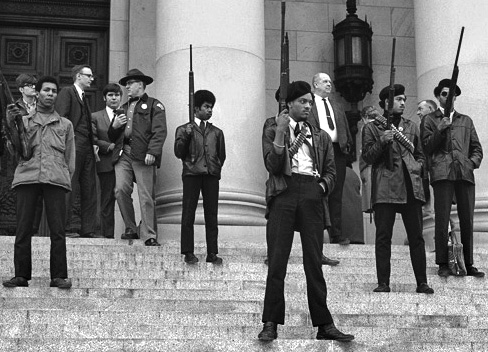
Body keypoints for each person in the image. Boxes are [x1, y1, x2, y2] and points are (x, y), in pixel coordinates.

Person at [258, 81, 354, 342]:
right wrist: (280, 132)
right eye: (302, 102)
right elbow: (273, 164)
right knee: (277, 261)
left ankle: (324, 325)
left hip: (312, 191)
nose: (307, 106)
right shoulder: (271, 128)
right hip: (283, 192)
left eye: (310, 102)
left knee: (314, 262)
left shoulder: (320, 135)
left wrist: (321, 187)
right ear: (289, 104)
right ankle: (270, 323)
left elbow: (332, 171)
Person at [2, 76, 75, 289]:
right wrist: (9, 123)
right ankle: (21, 275)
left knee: (58, 231)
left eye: (53, 91)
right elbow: (14, 152)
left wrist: (65, 178)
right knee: (24, 228)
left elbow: (70, 158)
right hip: (27, 177)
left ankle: (59, 276)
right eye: (46, 90)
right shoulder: (23, 121)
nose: (50, 94)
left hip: (55, 180)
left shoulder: (66, 125)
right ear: (37, 93)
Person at [362, 84, 434, 294]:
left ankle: (422, 282)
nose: (403, 103)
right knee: (383, 236)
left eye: (404, 99)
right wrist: (382, 142)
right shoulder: (373, 127)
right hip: (386, 186)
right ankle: (383, 282)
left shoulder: (411, 126)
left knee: (416, 237)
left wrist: (418, 166)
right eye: (399, 99)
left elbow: (421, 154)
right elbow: (367, 157)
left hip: (411, 185)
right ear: (386, 103)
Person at [422, 79, 484, 278]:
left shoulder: (465, 120)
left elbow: (477, 148)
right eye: (444, 94)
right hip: (442, 174)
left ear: (455, 97)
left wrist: (470, 163)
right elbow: (426, 147)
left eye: (452, 94)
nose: (448, 97)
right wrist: (440, 128)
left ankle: (468, 262)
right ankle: (442, 263)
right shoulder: (430, 120)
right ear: (438, 96)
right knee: (442, 219)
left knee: (467, 220)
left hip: (464, 174)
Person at [108, 69, 167, 246]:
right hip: (123, 153)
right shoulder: (123, 107)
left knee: (145, 194)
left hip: (143, 154)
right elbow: (112, 136)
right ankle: (131, 228)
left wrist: (153, 152)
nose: (126, 86)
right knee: (120, 190)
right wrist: (115, 126)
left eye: (130, 83)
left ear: (140, 85)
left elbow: (160, 132)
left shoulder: (154, 105)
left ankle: (149, 234)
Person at [174, 90, 226, 264]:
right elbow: (179, 152)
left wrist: (215, 168)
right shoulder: (183, 129)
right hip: (191, 174)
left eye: (211, 107)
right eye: (206, 106)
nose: (210, 110)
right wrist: (187, 135)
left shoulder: (217, 132)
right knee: (188, 213)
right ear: (196, 109)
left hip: (210, 175)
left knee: (212, 215)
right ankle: (188, 251)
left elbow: (221, 155)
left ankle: (212, 252)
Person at [55, 64, 99, 238]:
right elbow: (62, 118)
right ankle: (64, 228)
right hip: (74, 144)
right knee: (70, 185)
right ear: (78, 76)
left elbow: (88, 124)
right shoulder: (67, 92)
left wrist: (93, 142)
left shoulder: (84, 97)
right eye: (89, 75)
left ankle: (87, 229)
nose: (92, 79)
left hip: (87, 146)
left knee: (89, 187)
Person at [309, 72, 353, 246]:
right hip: (317, 151)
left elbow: (345, 127)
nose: (329, 84)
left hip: (337, 151)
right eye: (325, 81)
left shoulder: (336, 104)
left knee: (337, 193)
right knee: (317, 191)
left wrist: (347, 145)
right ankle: (316, 233)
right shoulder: (310, 103)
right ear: (315, 84)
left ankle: (336, 233)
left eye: (330, 82)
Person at [91, 83, 122, 239]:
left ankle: (131, 230)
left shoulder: (127, 115)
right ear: (104, 98)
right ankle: (107, 235)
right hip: (106, 164)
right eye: (110, 95)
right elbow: (93, 139)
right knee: (107, 200)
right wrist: (110, 146)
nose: (114, 97)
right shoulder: (95, 116)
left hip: (125, 163)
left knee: (125, 197)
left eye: (117, 95)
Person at [359, 106, 377, 215]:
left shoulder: (366, 128)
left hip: (370, 167)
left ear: (365, 117)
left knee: (375, 205)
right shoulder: (383, 126)